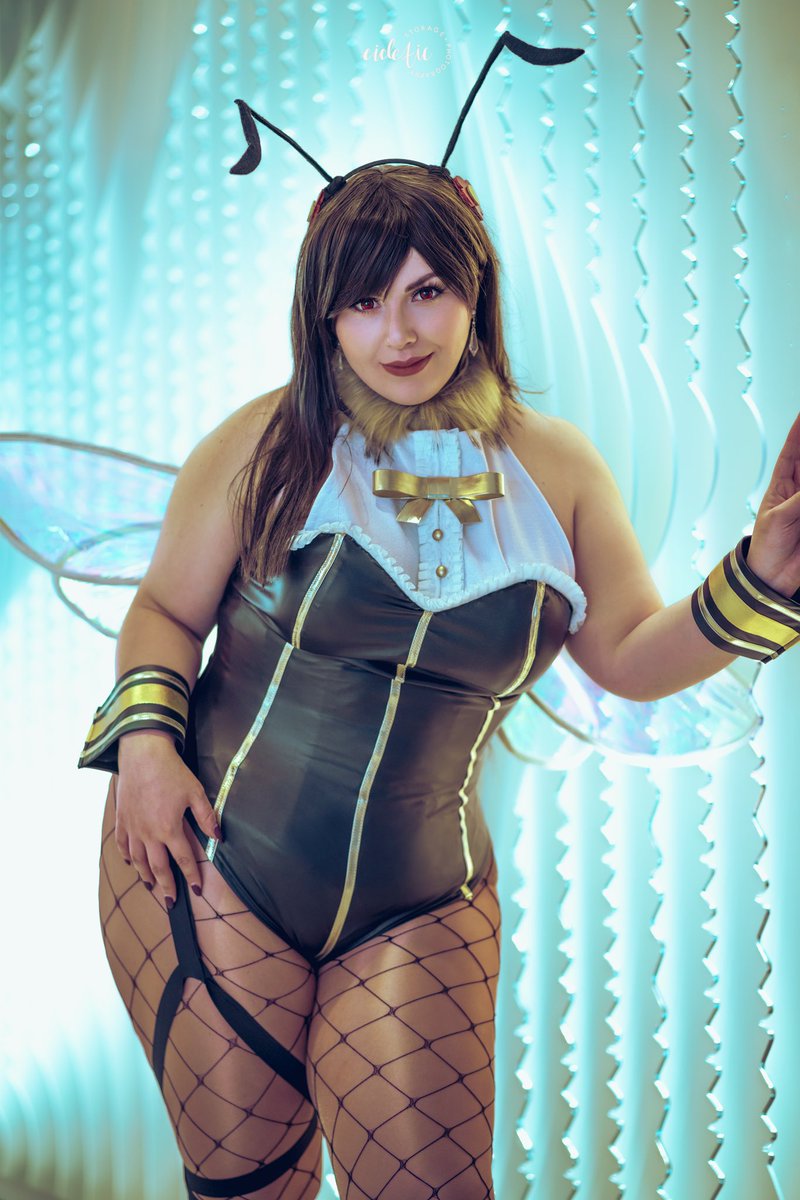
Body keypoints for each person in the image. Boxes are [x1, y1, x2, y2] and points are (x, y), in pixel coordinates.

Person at [76, 35, 800, 1200]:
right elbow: (164, 609)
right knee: (254, 1189)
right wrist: (146, 752)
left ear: (474, 292)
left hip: (425, 895)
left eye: (427, 291)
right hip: (208, 858)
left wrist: (763, 579)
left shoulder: (556, 468)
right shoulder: (264, 443)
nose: (399, 333)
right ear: (323, 316)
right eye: (363, 302)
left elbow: (624, 656)